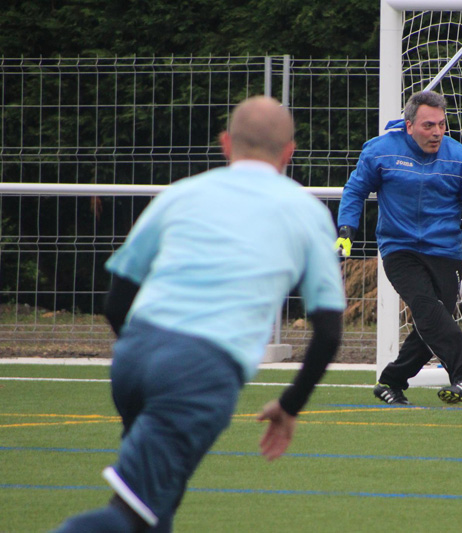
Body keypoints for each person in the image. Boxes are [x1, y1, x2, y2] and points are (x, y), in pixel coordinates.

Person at [52, 96, 345, 532]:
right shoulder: (307, 211)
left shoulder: (183, 193)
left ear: (225, 144)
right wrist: (290, 405)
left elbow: (115, 301)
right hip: (199, 369)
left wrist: (149, 352)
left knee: (153, 504)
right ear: (289, 152)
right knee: (129, 513)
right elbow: (329, 332)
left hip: (135, 354)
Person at [335, 90, 462, 406]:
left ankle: (390, 382)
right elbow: (355, 191)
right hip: (399, 249)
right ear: (409, 125)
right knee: (427, 308)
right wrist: (346, 231)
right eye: (428, 125)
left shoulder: (460, 158)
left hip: (445, 252)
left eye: (441, 124)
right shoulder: (381, 151)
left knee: (433, 321)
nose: (437, 132)